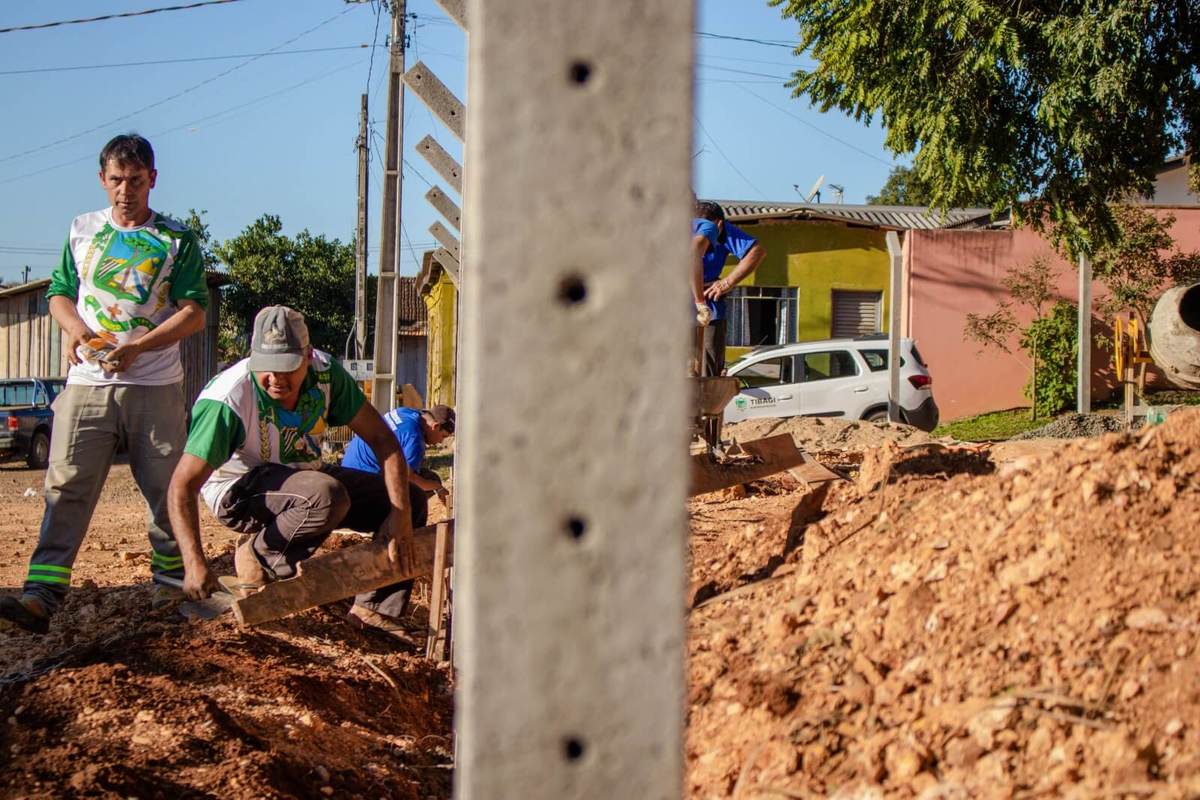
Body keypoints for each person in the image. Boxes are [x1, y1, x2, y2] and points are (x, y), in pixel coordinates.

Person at [0, 134, 208, 635]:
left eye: (135, 181)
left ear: (153, 180)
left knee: (166, 489)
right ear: (102, 180)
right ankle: (41, 597)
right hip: (88, 383)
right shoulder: (82, 231)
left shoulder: (178, 239)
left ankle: (172, 587)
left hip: (155, 385)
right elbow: (58, 293)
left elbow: (194, 313)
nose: (125, 191)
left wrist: (141, 346)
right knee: (66, 486)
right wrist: (79, 333)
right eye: (116, 180)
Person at [166, 306, 419, 641]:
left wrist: (400, 517)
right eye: (266, 369)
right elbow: (181, 486)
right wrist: (195, 563)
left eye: (287, 367)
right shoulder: (228, 399)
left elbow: (384, 440)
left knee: (409, 498)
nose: (276, 379)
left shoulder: (327, 376)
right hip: (239, 488)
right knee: (325, 495)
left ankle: (374, 610)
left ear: (308, 357)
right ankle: (259, 558)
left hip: (305, 475)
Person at [692, 200, 766, 377]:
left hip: (709, 309)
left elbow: (756, 251)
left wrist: (727, 282)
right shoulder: (697, 227)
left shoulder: (722, 230)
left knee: (708, 371)